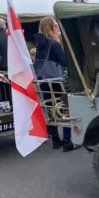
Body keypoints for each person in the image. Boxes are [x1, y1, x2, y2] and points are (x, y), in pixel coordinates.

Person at [33, 17, 73, 152]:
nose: (57, 27)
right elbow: (65, 63)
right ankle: (68, 141)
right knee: (65, 108)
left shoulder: (39, 45)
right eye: (55, 25)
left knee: (50, 109)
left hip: (43, 81)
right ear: (51, 27)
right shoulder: (54, 44)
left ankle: (56, 140)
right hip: (56, 80)